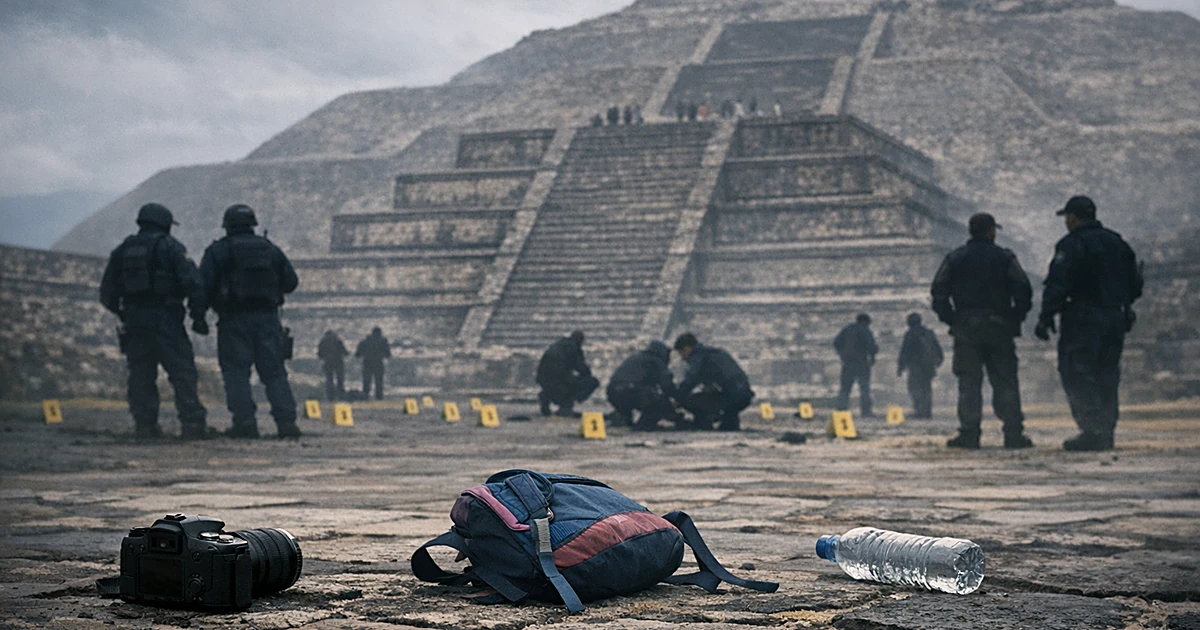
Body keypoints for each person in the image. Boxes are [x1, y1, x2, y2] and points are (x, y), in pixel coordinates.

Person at [1034, 196, 1143, 451]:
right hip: (1115, 317)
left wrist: (1046, 317)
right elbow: (1135, 285)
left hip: (1083, 318)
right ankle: (1105, 429)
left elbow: (1058, 284)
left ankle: (1092, 430)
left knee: (1077, 371)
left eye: (1067, 218)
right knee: (1107, 372)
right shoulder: (1118, 243)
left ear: (1073, 217)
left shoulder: (1072, 244)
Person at [100, 203, 209, 440]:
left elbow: (107, 293)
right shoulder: (170, 247)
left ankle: (145, 426)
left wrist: (124, 313)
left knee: (140, 374)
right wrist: (198, 316)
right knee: (182, 373)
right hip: (165, 319)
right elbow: (193, 283)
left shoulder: (123, 250)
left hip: (135, 321)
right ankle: (192, 425)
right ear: (165, 224)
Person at [931, 212, 1034, 449]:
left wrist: (953, 319)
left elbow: (939, 292)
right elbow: (1023, 290)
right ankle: (1013, 433)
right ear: (991, 231)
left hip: (966, 328)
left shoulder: (955, 258)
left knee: (968, 383)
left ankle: (969, 433)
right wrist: (1013, 319)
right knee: (1006, 381)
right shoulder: (1005, 257)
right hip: (999, 327)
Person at [198, 204, 301, 439]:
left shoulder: (218, 251)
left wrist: (199, 316)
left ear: (227, 226)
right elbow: (291, 282)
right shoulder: (270, 250)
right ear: (252, 225)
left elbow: (203, 286)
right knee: (275, 373)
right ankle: (286, 424)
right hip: (267, 320)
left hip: (233, 320)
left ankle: (245, 424)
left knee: (236, 374)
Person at [673, 333, 754, 431]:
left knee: (692, 400)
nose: (683, 358)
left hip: (731, 396)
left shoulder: (698, 356)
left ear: (687, 348)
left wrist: (677, 397)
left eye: (681, 353)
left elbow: (691, 380)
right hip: (744, 395)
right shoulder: (715, 353)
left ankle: (703, 423)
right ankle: (728, 423)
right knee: (728, 415)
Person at [606, 341, 683, 431]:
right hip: (632, 391)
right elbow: (667, 386)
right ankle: (644, 426)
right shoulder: (656, 361)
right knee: (658, 404)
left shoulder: (636, 358)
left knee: (627, 413)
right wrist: (679, 399)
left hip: (612, 392)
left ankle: (622, 421)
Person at [536, 330, 599, 418]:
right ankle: (567, 401)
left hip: (543, 379)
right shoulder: (573, 348)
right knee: (593, 382)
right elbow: (583, 369)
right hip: (559, 380)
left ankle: (547, 396)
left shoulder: (558, 344)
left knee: (564, 381)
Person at [897, 313, 944, 418]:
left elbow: (905, 351)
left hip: (916, 366)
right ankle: (927, 411)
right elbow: (938, 348)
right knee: (927, 388)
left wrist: (900, 367)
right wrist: (939, 360)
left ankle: (919, 410)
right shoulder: (928, 333)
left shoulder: (910, 334)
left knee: (915, 388)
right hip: (929, 366)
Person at [833, 314, 878, 417]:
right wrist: (872, 356)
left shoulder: (848, 329)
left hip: (848, 363)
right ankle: (866, 411)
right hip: (862, 363)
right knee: (864, 388)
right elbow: (872, 346)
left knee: (845, 388)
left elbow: (836, 342)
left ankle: (841, 410)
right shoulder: (864, 330)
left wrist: (842, 354)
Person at [356, 327, 391, 400]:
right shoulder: (383, 341)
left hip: (367, 363)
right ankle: (379, 396)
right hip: (378, 363)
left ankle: (365, 395)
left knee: (366, 381)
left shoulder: (365, 341)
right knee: (379, 381)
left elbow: (358, 354)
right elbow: (388, 354)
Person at [317, 330, 348, 401]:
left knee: (329, 380)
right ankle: (340, 395)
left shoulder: (323, 342)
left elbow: (320, 354)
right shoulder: (337, 341)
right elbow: (344, 352)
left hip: (328, 363)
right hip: (338, 362)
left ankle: (330, 396)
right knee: (340, 380)